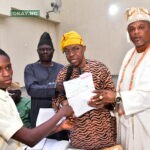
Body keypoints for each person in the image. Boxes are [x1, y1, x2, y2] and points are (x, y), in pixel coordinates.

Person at [94, 7, 150, 150]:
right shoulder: (129, 54)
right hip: (126, 123)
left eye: (141, 27)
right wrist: (107, 101)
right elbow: (121, 88)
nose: (136, 32)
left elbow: (146, 95)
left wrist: (116, 98)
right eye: (131, 29)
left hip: (145, 126)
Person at [52, 31, 117, 150]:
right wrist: (63, 104)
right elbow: (55, 102)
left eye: (75, 49)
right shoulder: (63, 74)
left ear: (84, 48)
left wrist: (104, 100)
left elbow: (115, 98)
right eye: (66, 51)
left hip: (105, 137)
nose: (71, 54)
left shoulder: (99, 68)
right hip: (79, 139)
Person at [0, 48, 73, 150]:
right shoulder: (30, 68)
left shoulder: (4, 94)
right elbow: (30, 138)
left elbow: (21, 136)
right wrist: (62, 113)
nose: (6, 73)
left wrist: (59, 127)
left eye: (8, 67)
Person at [24, 32, 68, 140]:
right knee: (40, 141)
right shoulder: (30, 68)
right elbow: (32, 89)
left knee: (60, 142)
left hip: (58, 114)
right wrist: (54, 88)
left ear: (53, 51)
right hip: (39, 114)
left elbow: (67, 88)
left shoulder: (61, 68)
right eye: (42, 49)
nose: (45, 51)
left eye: (48, 49)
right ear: (37, 51)